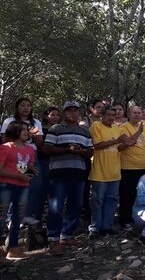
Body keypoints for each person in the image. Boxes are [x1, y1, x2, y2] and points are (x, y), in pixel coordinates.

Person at [44, 101, 93, 255]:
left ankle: (67, 235)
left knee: (76, 206)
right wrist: (67, 149)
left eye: (75, 111)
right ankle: (53, 239)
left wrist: (80, 152)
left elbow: (90, 151)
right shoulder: (56, 129)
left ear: (79, 113)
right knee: (56, 207)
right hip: (58, 173)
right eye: (69, 111)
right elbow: (47, 149)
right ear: (65, 113)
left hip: (78, 173)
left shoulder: (85, 131)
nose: (73, 113)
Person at [1, 98, 44, 225]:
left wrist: (35, 136)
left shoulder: (36, 122)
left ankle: (24, 215)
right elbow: (5, 139)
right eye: (22, 105)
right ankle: (10, 218)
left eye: (28, 106)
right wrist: (28, 134)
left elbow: (40, 142)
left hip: (31, 156)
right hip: (14, 156)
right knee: (15, 184)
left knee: (35, 184)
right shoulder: (9, 121)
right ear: (17, 107)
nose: (25, 108)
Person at [88, 106, 127, 238]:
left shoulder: (117, 128)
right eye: (109, 115)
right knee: (97, 201)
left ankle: (107, 226)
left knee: (111, 200)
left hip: (115, 171)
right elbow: (97, 145)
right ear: (102, 116)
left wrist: (128, 143)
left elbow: (118, 148)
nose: (111, 117)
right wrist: (117, 140)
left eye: (113, 115)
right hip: (100, 171)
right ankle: (94, 228)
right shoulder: (96, 125)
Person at [0, 121, 36, 260]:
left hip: (23, 187)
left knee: (18, 217)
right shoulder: (5, 148)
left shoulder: (30, 150)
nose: (26, 132)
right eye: (22, 130)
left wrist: (29, 175)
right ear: (14, 132)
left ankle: (13, 248)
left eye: (27, 130)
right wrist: (18, 175)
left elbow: (29, 167)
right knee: (1, 216)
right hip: (5, 186)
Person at [117, 106, 145, 230]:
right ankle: (124, 220)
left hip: (143, 166)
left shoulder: (144, 128)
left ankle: (137, 218)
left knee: (140, 194)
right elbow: (123, 145)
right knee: (127, 194)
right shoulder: (123, 127)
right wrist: (138, 132)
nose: (137, 115)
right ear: (129, 114)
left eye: (139, 112)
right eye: (134, 113)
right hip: (128, 167)